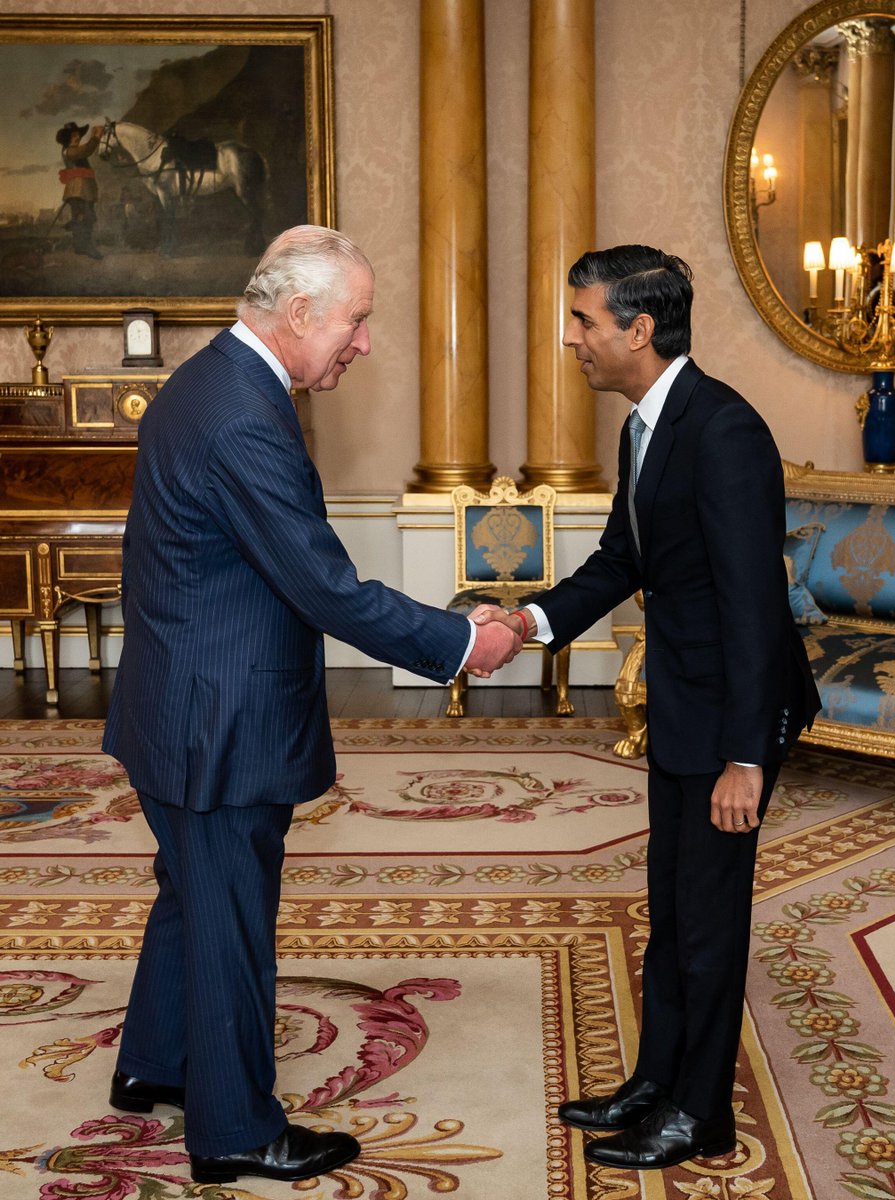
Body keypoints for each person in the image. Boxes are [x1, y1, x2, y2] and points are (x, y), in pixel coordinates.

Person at [101, 225, 521, 1186]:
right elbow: (326, 587)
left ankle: (156, 1065)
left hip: (179, 698)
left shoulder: (209, 379)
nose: (364, 343)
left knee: (191, 891)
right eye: (357, 320)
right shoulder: (244, 414)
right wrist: (462, 641)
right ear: (297, 315)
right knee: (231, 919)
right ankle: (237, 1131)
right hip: (220, 720)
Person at [472, 244, 820, 1171]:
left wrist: (748, 754)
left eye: (584, 321)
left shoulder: (725, 431)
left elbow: (755, 603)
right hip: (686, 703)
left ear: (639, 329)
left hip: (730, 720)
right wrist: (534, 619)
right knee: (673, 910)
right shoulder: (646, 426)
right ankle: (656, 1082)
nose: (571, 338)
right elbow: (625, 560)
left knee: (708, 922)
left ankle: (699, 1114)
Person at [55, 121, 104, 260]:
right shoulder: (70, 151)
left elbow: (84, 150)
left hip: (81, 190)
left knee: (81, 218)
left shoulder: (72, 150)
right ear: (67, 138)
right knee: (85, 218)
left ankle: (80, 247)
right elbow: (87, 150)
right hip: (79, 190)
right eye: (74, 135)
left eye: (78, 135)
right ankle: (86, 247)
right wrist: (97, 136)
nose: (77, 138)